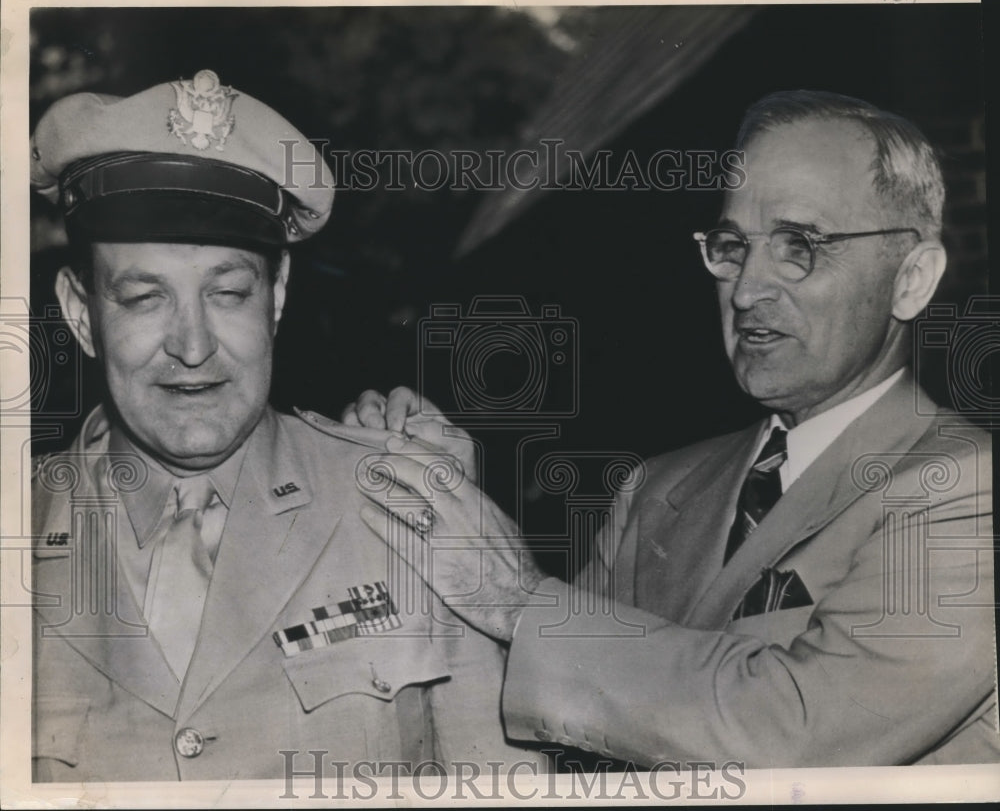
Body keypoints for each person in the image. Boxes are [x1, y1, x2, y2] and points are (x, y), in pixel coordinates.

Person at [345, 90, 998, 767]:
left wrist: (518, 599)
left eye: (799, 246)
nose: (747, 290)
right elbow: (553, 742)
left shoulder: (964, 487)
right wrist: (444, 505)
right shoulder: (657, 488)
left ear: (912, 279)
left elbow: (798, 735)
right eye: (731, 246)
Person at [29, 70, 543, 781]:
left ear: (276, 298)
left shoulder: (408, 508)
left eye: (229, 292)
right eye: (145, 297)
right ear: (82, 313)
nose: (193, 345)